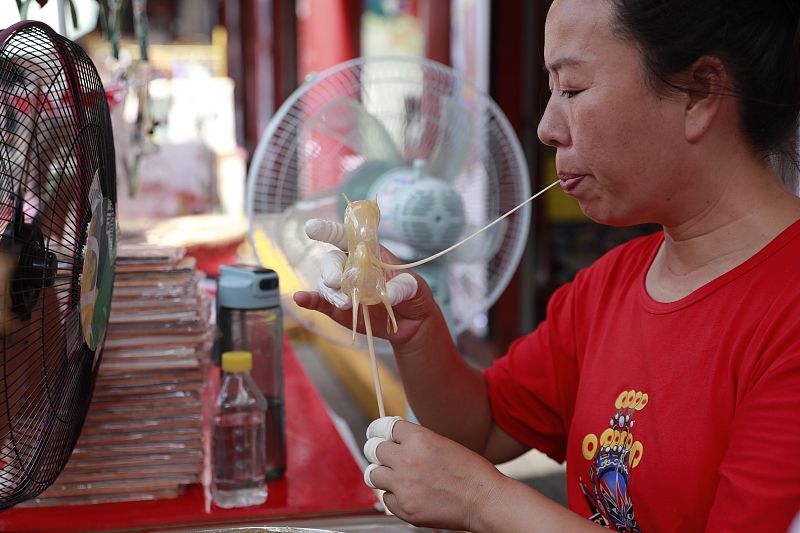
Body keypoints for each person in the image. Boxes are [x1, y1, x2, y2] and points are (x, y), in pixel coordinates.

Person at [293, 0, 800, 530]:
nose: (546, 128)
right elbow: (484, 427)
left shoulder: (785, 314)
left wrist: (478, 499)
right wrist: (417, 332)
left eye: (573, 90)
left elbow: (476, 474)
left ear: (698, 92)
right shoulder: (610, 285)